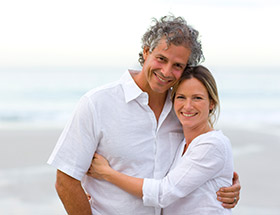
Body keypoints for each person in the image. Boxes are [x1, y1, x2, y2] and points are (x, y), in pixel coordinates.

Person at [47, 15, 240, 215]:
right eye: (161, 59)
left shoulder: (182, 112)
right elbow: (65, 181)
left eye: (177, 65)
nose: (166, 71)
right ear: (146, 51)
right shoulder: (97, 103)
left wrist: (223, 183)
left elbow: (194, 167)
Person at [88, 65, 234, 214]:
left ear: (212, 103)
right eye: (181, 97)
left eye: (197, 98)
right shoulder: (183, 142)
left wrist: (106, 173)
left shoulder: (212, 144)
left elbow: (163, 193)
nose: (188, 106)